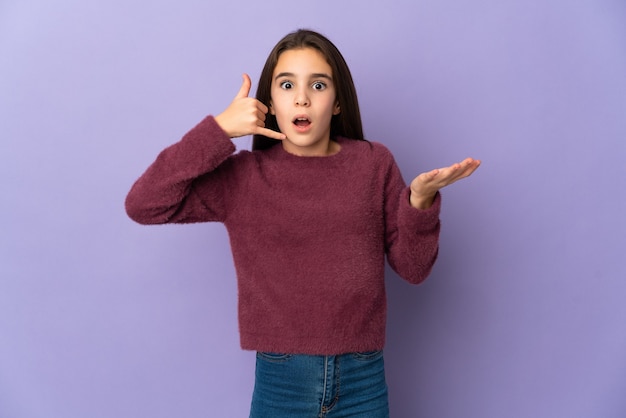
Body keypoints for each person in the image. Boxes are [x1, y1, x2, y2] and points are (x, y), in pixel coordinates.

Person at [125, 29, 480, 418]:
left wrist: (419, 201)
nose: (302, 97)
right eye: (287, 84)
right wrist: (219, 129)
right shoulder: (244, 176)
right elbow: (143, 204)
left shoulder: (373, 164)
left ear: (338, 101)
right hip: (282, 381)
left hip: (364, 379)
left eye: (318, 84)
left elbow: (413, 269)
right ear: (271, 103)